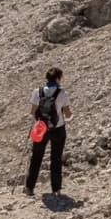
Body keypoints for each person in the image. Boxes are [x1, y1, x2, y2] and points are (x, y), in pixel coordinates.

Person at [26, 67, 71, 197]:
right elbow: (68, 114)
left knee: (36, 157)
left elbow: (33, 112)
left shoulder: (37, 92)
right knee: (56, 158)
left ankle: (29, 187)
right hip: (58, 129)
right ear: (57, 78)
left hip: (40, 128)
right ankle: (56, 189)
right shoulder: (62, 93)